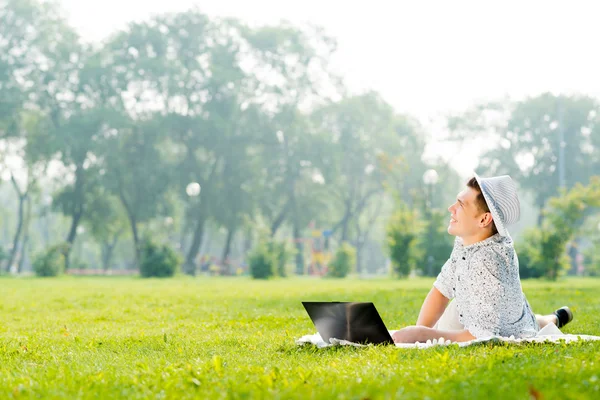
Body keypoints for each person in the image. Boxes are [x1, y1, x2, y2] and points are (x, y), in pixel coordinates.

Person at [392, 174, 573, 343]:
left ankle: (555, 318)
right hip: (475, 310)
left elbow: (481, 336)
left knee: (531, 326)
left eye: (460, 205)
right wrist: (417, 331)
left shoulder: (488, 262)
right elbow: (442, 289)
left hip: (509, 326)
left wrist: (422, 334)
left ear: (484, 219)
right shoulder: (467, 243)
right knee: (532, 320)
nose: (451, 208)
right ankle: (552, 317)